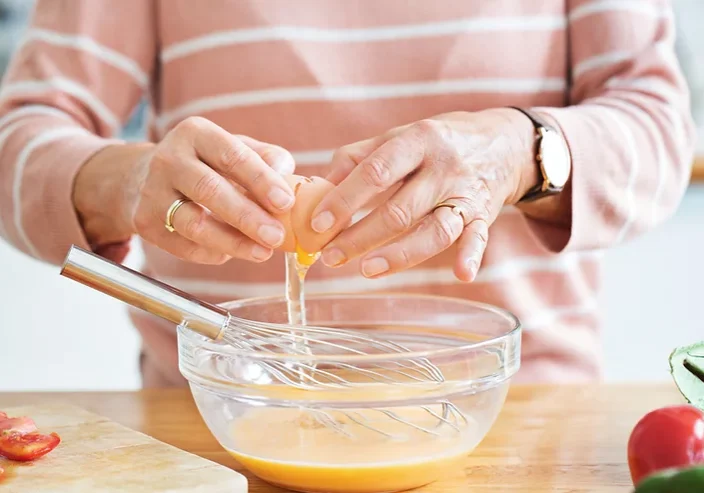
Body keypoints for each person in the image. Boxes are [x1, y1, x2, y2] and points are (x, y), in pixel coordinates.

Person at [0, 1, 695, 388]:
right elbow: (17, 140)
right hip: (221, 420)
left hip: (518, 414)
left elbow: (661, 127)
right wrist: (123, 181)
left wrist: (523, 151)